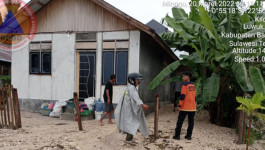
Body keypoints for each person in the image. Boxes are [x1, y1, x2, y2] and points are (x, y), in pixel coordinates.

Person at [114, 73, 150, 142]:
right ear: (132, 80)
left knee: (131, 123)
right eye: (137, 80)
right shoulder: (132, 88)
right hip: (129, 111)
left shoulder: (131, 87)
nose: (138, 82)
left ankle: (129, 139)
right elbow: (136, 98)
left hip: (129, 110)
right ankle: (128, 140)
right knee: (131, 124)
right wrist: (142, 105)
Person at [173, 72, 196, 140]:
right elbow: (195, 96)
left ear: (188, 77)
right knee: (191, 122)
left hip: (185, 107)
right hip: (192, 108)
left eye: (183, 76)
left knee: (180, 121)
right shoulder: (193, 86)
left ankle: (177, 136)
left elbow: (182, 96)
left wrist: (179, 105)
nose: (182, 78)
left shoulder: (184, 85)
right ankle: (189, 136)